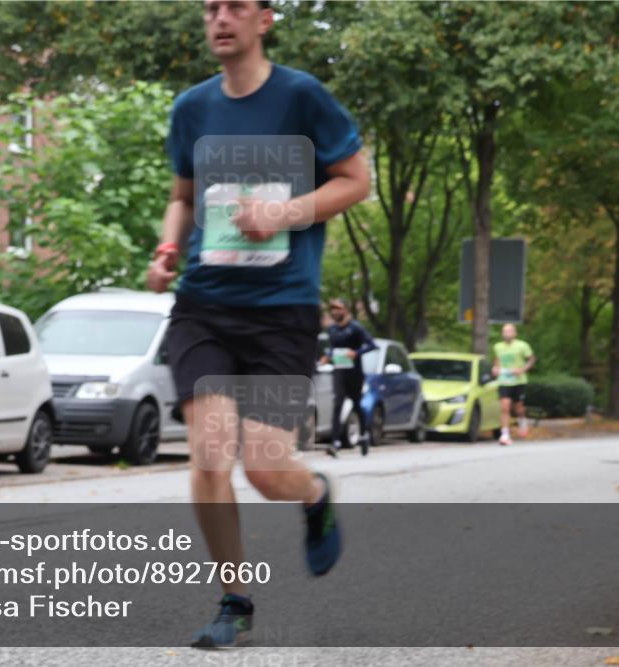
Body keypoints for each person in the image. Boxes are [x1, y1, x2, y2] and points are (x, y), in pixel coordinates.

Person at [145, 0, 369, 649]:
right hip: (204, 305)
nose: (220, 17)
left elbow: (356, 180)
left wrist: (285, 210)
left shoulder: (303, 97)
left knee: (269, 470)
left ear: (264, 19)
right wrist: (166, 249)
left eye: (235, 6)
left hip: (282, 310)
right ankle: (234, 599)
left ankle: (315, 492)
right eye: (211, 7)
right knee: (210, 450)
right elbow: (183, 197)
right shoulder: (192, 108)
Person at [320, 298, 377, 456]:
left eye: (337, 308)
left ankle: (364, 434)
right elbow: (332, 348)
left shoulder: (356, 328)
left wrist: (356, 353)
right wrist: (327, 356)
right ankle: (335, 442)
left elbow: (372, 345)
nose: (334, 312)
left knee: (356, 404)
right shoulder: (332, 330)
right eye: (332, 309)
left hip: (354, 372)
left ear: (345, 310)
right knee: (337, 404)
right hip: (339, 370)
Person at [492, 323, 536, 446]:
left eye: (510, 331)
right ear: (502, 334)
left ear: (515, 333)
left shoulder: (522, 345)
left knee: (518, 408)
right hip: (504, 380)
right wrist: (495, 368)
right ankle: (505, 434)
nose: (507, 334)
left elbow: (532, 359)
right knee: (505, 407)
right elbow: (497, 360)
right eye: (505, 331)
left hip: (519, 381)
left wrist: (522, 369)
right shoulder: (498, 346)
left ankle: (522, 421)